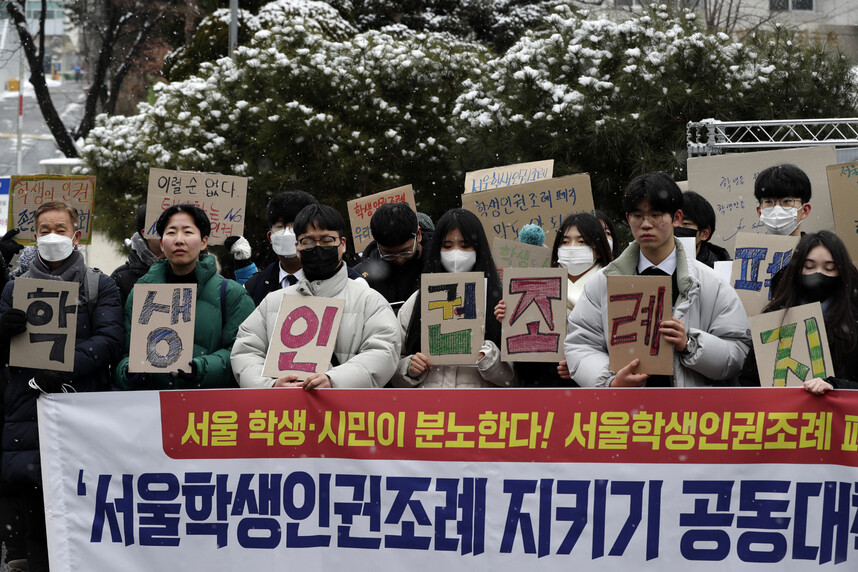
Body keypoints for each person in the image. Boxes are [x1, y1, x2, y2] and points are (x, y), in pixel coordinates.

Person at [0, 201, 123, 571]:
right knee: (34, 510)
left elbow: (110, 339)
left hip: (80, 408)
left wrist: (63, 368)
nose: (52, 237)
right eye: (43, 230)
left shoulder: (100, 284)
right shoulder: (13, 289)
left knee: (81, 507)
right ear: (33, 237)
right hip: (26, 411)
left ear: (76, 235)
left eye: (59, 229)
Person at [565, 173, 751, 388]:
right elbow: (580, 345)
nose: (646, 224)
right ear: (628, 219)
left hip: (690, 416)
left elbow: (736, 351)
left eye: (656, 214)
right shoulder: (603, 282)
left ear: (677, 218)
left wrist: (690, 344)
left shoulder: (710, 283)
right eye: (637, 215)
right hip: (627, 415)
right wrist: (611, 382)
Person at [232, 204, 400, 389]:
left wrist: (334, 380)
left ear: (342, 244)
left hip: (347, 415)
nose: (318, 247)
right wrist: (270, 386)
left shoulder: (370, 301)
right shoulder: (272, 302)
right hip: (285, 414)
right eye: (308, 241)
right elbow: (246, 351)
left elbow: (383, 350)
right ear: (297, 248)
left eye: (327, 240)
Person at [114, 205, 255, 390]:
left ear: (204, 242)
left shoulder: (231, 294)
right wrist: (129, 372)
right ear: (162, 242)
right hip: (153, 407)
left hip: (207, 410)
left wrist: (200, 369)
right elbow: (122, 354)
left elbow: (244, 354)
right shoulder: (141, 292)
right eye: (171, 233)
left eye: (188, 232)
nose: (179, 240)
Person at [393, 208, 517, 388]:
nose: (456, 253)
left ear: (478, 248)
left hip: (480, 413)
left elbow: (516, 378)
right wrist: (408, 367)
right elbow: (391, 366)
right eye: (448, 246)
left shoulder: (501, 302)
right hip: (429, 412)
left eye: (465, 245)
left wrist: (490, 359)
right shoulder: (417, 300)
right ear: (437, 249)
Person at [495, 212, 612, 386]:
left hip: (598, 391)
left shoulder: (612, 285)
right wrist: (509, 317)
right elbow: (524, 356)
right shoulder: (536, 285)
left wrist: (582, 365)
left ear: (599, 248)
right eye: (565, 242)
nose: (572, 247)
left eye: (582, 242)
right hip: (546, 387)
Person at [740, 231, 858, 393]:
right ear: (796, 271)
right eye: (809, 267)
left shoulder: (854, 319)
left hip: (840, 416)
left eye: (829, 269)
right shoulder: (775, 317)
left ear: (842, 273)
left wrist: (835, 386)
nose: (818, 274)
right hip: (785, 415)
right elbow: (750, 381)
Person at [244, 191, 320, 306]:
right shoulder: (254, 286)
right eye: (280, 226)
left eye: (295, 226)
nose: (287, 233)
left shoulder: (337, 281)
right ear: (270, 237)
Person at [354, 203, 432, 312]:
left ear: (418, 235)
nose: (399, 259)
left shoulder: (440, 265)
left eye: (406, 252)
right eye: (388, 254)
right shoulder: (360, 277)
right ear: (377, 244)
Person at [110, 205, 165, 307]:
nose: (175, 235)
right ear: (146, 233)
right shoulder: (121, 278)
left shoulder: (196, 273)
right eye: (164, 227)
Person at [675, 190, 731, 268]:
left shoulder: (719, 271)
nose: (676, 228)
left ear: (705, 233)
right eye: (674, 222)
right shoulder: (658, 264)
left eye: (685, 224)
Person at [755, 163, 812, 237]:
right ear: (760, 212)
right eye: (769, 202)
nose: (777, 209)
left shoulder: (817, 248)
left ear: (805, 210)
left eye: (786, 201)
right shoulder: (747, 247)